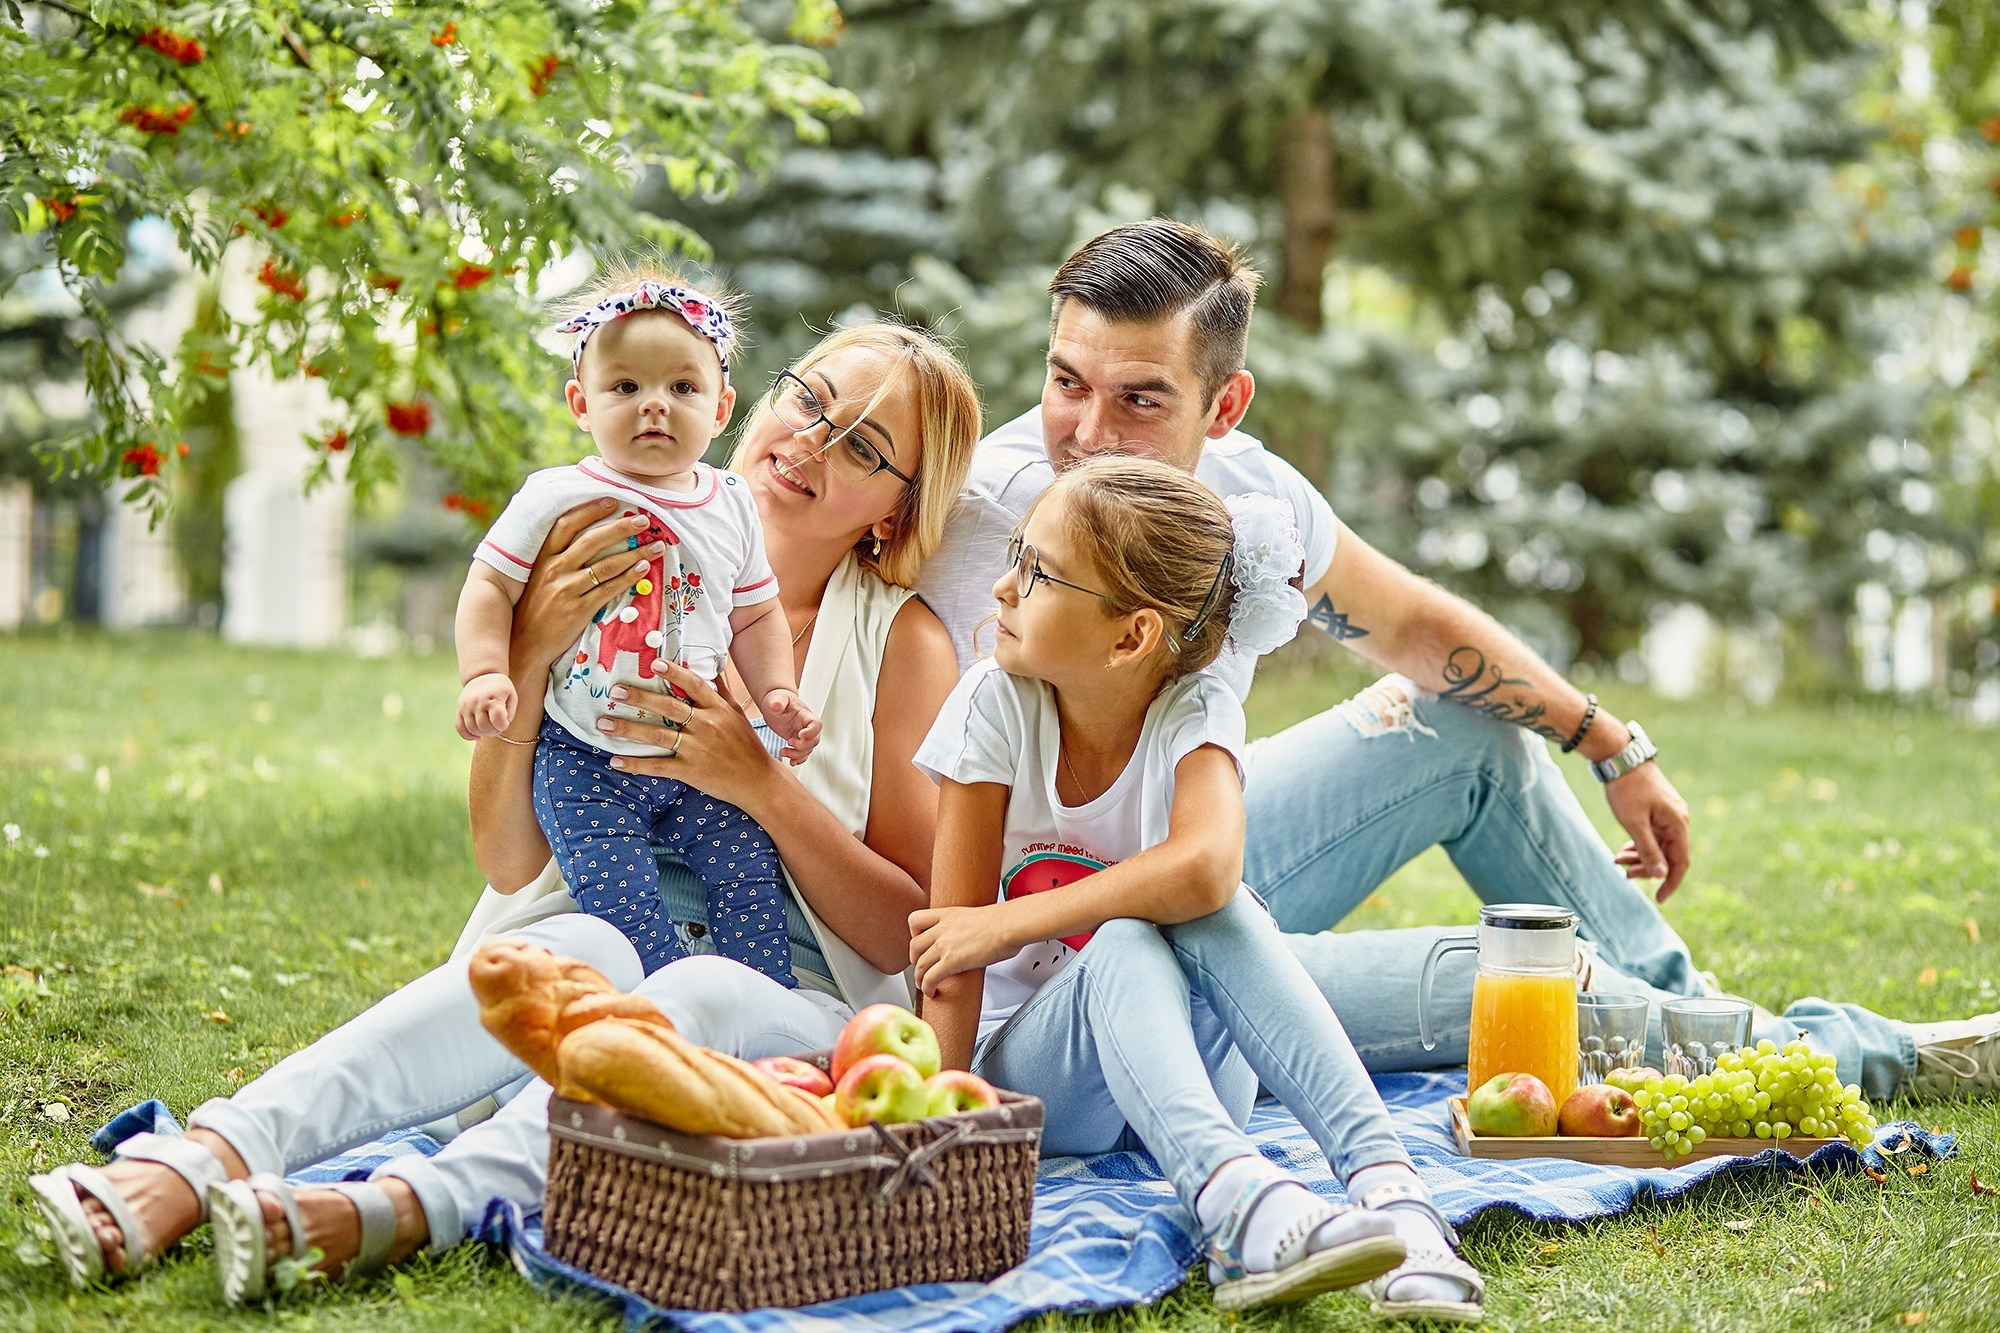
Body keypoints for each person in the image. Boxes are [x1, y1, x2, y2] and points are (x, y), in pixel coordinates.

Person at [916, 217, 1999, 1103]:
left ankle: (1702, 1016)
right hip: (1085, 953)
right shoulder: (977, 513)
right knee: (1524, 986)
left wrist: (1610, 743)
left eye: (1140, 397)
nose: (1087, 432)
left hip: (1205, 864)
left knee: (1458, 720)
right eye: (1066, 382)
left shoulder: (1255, 499)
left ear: (1223, 405)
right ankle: (1843, 1051)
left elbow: (1415, 629)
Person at [28, 322, 982, 1301]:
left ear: (893, 513)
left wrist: (761, 785)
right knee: (550, 962)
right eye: (809, 398)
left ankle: (409, 1205)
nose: (810, 440)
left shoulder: (900, 646)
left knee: (695, 988)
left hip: (783, 999)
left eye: (863, 446)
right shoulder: (609, 559)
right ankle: (202, 1156)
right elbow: (504, 857)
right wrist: (527, 659)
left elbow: (912, 933)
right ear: (760, 399)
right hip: (603, 928)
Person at [913, 456, 1482, 1321]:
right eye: (1015, 556)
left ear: (1132, 635)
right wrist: (932, 1131)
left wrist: (1010, 920)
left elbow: (1207, 867)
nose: (1002, 588)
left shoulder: (1196, 705)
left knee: (1218, 904)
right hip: (1040, 1078)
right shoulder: (995, 703)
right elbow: (951, 958)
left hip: (1187, 1061)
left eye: (1037, 571)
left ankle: (1393, 1192)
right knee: (1129, 934)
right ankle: (1236, 1200)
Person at [454, 264, 820, 982]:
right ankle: (653, 1007)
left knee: (748, 875)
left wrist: (776, 692)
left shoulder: (731, 502)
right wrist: (487, 671)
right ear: (580, 403)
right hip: (586, 758)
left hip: (696, 758)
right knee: (620, 910)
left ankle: (759, 999)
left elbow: (755, 612)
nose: (655, 406)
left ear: (721, 410)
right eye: (625, 387)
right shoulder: (559, 494)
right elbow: (490, 585)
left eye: (682, 388)